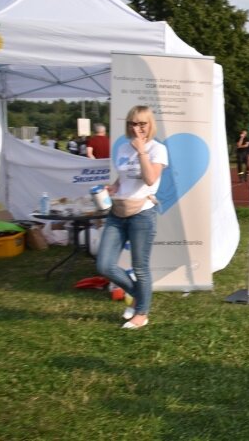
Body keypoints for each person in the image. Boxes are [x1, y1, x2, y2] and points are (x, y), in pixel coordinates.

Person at [96, 106, 167, 329]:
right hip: (117, 211)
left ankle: (141, 313)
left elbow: (149, 179)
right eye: (132, 124)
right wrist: (113, 187)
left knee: (140, 267)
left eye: (141, 124)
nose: (136, 128)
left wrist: (141, 151)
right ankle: (139, 295)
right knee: (104, 265)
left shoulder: (158, 149)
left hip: (143, 213)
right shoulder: (123, 148)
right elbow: (123, 178)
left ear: (150, 125)